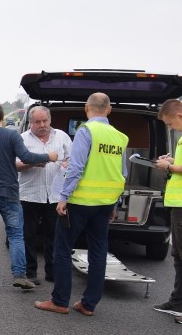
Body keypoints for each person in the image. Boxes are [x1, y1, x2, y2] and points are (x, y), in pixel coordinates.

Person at [35, 92, 128, 316]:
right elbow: (122, 173)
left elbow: (75, 167)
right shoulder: (120, 137)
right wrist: (115, 204)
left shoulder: (86, 131)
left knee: (62, 249)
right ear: (109, 110)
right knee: (98, 252)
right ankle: (88, 304)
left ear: (87, 108)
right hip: (105, 203)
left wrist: (63, 196)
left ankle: (59, 301)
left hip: (79, 201)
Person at [0, 103, 57, 290]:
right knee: (16, 236)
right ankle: (20, 275)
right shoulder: (12, 135)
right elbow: (27, 157)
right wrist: (49, 156)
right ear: (3, 118)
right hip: (10, 195)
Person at [17, 105, 72, 284]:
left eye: (45, 121)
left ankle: (52, 272)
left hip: (55, 196)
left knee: (54, 236)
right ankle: (30, 272)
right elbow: (14, 164)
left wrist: (67, 163)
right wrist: (33, 162)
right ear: (30, 123)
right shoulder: (22, 139)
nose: (42, 125)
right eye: (37, 122)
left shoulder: (62, 136)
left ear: (50, 120)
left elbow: (72, 158)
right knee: (29, 235)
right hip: (29, 194)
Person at [151, 100, 182, 318]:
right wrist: (171, 161)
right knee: (177, 255)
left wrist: (168, 166)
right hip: (177, 205)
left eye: (170, 124)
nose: (170, 128)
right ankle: (177, 301)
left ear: (179, 115)